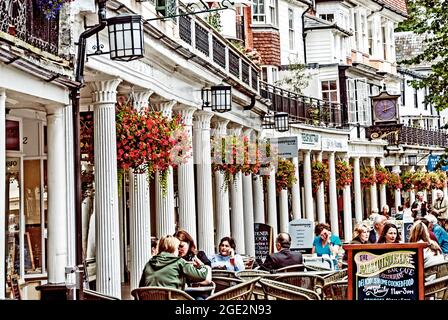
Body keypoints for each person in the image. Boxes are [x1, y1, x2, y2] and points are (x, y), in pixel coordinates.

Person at [138, 235, 211, 290]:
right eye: (177, 248)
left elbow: (141, 287)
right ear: (173, 248)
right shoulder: (179, 262)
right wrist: (201, 265)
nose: (178, 250)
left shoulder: (149, 263)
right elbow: (202, 275)